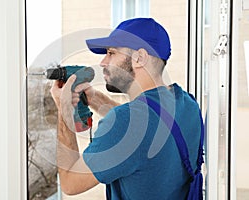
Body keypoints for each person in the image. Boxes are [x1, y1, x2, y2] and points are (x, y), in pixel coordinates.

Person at [50, 18, 203, 199]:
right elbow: (145, 125)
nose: (103, 62)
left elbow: (70, 182)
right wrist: (96, 99)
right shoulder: (187, 104)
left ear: (140, 58)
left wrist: (63, 108)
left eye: (111, 53)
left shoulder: (126, 122)